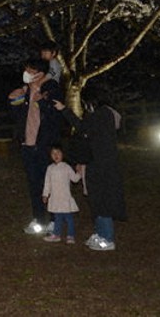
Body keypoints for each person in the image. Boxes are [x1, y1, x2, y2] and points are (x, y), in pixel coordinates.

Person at [54, 94, 126, 251]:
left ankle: (107, 238)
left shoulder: (103, 114)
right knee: (94, 199)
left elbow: (82, 127)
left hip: (100, 165)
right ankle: (100, 234)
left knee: (101, 200)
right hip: (94, 162)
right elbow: (87, 137)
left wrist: (65, 111)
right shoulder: (106, 115)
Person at [7, 59, 63, 235]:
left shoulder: (51, 87)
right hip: (28, 144)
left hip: (44, 144)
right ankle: (38, 219)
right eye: (26, 70)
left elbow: (56, 114)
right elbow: (17, 116)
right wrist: (13, 101)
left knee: (51, 184)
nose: (27, 74)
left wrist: (42, 101)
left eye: (30, 70)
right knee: (34, 184)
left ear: (40, 73)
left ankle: (54, 220)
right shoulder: (25, 91)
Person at [42, 144, 81, 244]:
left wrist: (79, 172)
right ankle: (56, 234)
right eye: (53, 153)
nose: (56, 155)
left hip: (65, 198)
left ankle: (70, 235)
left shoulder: (66, 167)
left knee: (69, 218)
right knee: (57, 218)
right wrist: (45, 194)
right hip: (55, 198)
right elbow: (47, 183)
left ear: (62, 154)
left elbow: (75, 179)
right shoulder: (50, 168)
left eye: (58, 153)